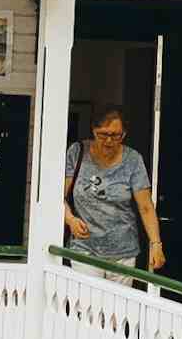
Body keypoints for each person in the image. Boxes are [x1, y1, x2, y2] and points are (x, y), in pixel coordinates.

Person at [63, 100, 164, 280]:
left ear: (124, 134)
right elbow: (57, 196)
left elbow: (146, 206)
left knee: (116, 308)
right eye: (103, 135)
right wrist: (70, 219)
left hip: (123, 253)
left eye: (116, 135)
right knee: (88, 304)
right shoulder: (77, 153)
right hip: (84, 248)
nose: (109, 141)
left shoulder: (133, 160)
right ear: (93, 131)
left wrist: (156, 244)